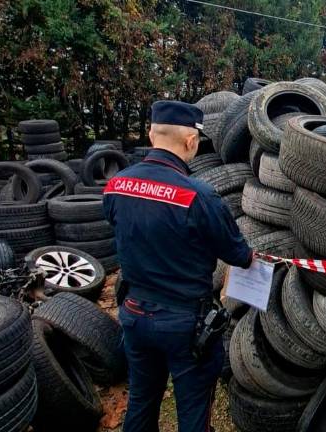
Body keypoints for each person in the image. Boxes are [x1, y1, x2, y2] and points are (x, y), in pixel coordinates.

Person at [103, 100, 252, 432]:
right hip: (185, 325)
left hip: (134, 314)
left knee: (141, 402)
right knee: (193, 412)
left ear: (151, 134)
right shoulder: (199, 196)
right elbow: (239, 255)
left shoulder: (116, 185)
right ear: (191, 142)